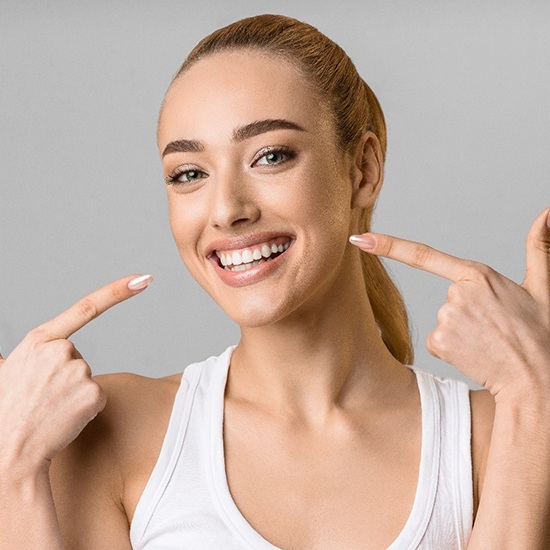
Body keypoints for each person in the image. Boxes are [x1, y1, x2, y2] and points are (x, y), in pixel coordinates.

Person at [1, 13, 549, 549]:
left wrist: (536, 387)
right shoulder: (111, 432)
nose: (226, 211)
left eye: (270, 156)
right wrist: (12, 466)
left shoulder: (502, 430)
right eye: (189, 174)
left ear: (363, 169)